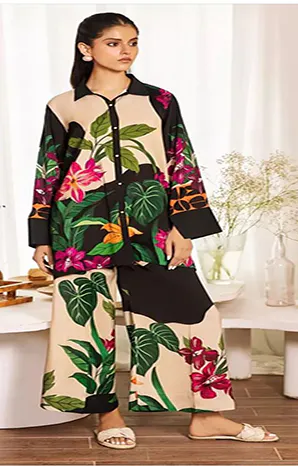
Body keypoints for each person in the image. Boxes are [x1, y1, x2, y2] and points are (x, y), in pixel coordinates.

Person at [27, 11, 279, 449]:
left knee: (194, 312)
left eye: (133, 42)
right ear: (86, 49)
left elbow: (182, 162)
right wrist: (41, 236)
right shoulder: (63, 105)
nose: (126, 51)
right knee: (86, 323)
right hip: (79, 229)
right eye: (113, 43)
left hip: (151, 227)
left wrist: (184, 226)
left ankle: (208, 417)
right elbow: (49, 170)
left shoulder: (160, 101)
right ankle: (108, 415)